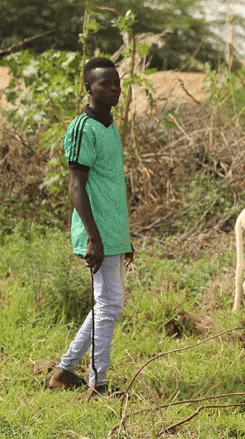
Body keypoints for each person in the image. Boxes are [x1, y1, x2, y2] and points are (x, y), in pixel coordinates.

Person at [48, 57, 133, 400]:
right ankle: (99, 385)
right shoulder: (82, 127)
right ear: (88, 87)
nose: (113, 89)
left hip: (113, 230)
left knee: (106, 305)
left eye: (116, 84)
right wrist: (94, 238)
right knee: (109, 304)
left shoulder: (109, 126)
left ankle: (65, 372)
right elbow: (76, 186)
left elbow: (110, 183)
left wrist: (124, 237)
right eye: (104, 84)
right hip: (96, 231)